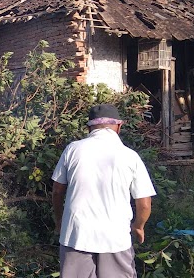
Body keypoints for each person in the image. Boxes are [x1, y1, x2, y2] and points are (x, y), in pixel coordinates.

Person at [51, 104, 156, 277]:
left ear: (89, 127)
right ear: (119, 126)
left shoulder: (73, 149)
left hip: (76, 235)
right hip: (116, 238)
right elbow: (144, 204)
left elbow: (57, 191)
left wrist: (59, 220)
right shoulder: (130, 156)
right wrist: (138, 226)